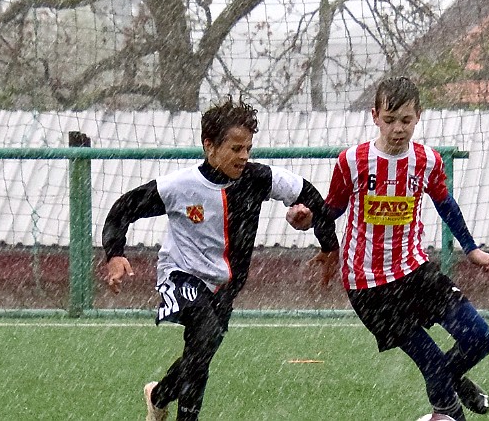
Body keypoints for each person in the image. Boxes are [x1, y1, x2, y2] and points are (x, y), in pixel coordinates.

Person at [103, 99, 339, 421]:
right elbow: (123, 208)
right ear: (209, 146)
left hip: (226, 285)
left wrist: (327, 242)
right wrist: (115, 255)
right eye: (236, 148)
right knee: (205, 337)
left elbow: (311, 195)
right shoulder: (180, 186)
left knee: (200, 353)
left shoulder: (260, 178)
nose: (244, 156)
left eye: (248, 148)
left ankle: (158, 396)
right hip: (181, 274)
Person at [287, 76, 489, 420]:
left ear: (418, 117)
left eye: (406, 120)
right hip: (368, 286)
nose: (398, 129)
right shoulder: (352, 161)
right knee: (430, 361)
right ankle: (445, 407)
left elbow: (446, 203)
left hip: (415, 271)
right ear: (374, 116)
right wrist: (308, 217)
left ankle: (452, 378)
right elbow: (333, 209)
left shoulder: (427, 161)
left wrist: (471, 248)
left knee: (480, 337)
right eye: (389, 120)